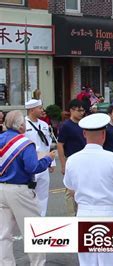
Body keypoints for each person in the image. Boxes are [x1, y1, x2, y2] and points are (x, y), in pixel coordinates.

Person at [63, 113, 113, 266]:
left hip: (83, 214)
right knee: (110, 261)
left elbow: (70, 190)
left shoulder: (72, 160)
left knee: (87, 261)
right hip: (108, 213)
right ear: (103, 134)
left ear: (84, 134)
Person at [0, 110, 55, 266]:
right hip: (20, 190)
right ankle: (37, 263)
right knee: (33, 230)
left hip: (1, 188)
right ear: (21, 125)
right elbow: (33, 167)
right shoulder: (25, 143)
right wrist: (47, 159)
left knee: (4, 233)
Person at [24, 99, 56, 217]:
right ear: (32, 110)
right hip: (30, 164)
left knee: (43, 195)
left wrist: (51, 162)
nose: (42, 110)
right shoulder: (23, 124)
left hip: (44, 163)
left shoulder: (44, 125)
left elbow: (47, 144)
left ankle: (41, 219)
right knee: (28, 195)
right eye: (40, 108)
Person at [57, 99, 86, 216]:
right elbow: (60, 145)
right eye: (79, 110)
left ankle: (81, 212)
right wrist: (63, 164)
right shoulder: (66, 126)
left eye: (83, 110)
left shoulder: (84, 124)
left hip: (84, 159)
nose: (81, 113)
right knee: (70, 190)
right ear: (71, 110)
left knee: (83, 187)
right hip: (72, 160)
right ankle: (71, 214)